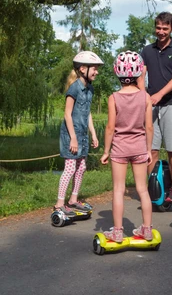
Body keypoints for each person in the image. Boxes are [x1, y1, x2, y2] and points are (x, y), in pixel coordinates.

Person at [100, 50, 154, 242]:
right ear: (140, 72)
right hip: (139, 148)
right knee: (142, 189)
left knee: (118, 190)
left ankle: (117, 231)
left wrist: (106, 151)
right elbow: (148, 126)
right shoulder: (145, 97)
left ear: (117, 71)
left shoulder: (113, 98)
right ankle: (146, 229)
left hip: (120, 149)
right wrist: (148, 150)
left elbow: (110, 128)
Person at [137, 11, 172, 203]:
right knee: (151, 149)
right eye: (158, 28)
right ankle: (152, 187)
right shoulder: (147, 50)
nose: (161, 31)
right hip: (151, 106)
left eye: (165, 28)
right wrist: (145, 96)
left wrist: (160, 94)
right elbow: (141, 75)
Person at [54, 51, 103, 216]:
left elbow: (88, 113)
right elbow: (67, 114)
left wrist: (94, 134)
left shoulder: (90, 89)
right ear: (83, 69)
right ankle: (59, 204)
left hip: (82, 135)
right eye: (94, 69)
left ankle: (73, 200)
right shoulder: (74, 88)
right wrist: (73, 139)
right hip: (71, 136)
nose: (97, 72)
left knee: (81, 167)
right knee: (69, 169)